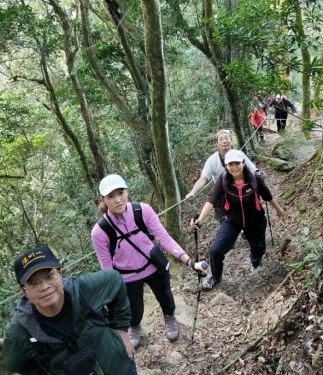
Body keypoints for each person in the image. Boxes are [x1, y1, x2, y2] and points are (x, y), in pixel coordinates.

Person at [3, 245, 157, 375]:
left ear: (60, 273)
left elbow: (115, 281)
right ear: (23, 291)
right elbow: (17, 364)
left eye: (49, 276)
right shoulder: (19, 332)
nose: (44, 287)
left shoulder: (83, 290)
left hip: (118, 366)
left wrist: (121, 330)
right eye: (34, 283)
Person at [92, 174, 207, 349]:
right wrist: (112, 294)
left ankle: (169, 318)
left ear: (127, 191)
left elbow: (164, 238)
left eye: (120, 193)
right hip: (127, 277)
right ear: (103, 199)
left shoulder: (143, 211)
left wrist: (190, 262)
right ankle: (135, 326)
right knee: (134, 309)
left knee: (166, 297)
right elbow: (106, 267)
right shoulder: (100, 231)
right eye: (111, 196)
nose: (117, 200)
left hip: (154, 266)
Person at [190, 149, 285, 290]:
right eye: (230, 164)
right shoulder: (223, 180)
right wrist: (200, 220)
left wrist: (278, 209)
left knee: (258, 247)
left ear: (243, 163)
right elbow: (212, 199)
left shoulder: (254, 178)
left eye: (237, 163)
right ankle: (215, 277)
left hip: (255, 220)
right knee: (216, 250)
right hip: (232, 221)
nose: (234, 167)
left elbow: (267, 195)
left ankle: (256, 263)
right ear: (226, 166)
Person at [185, 129, 257, 201]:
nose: (224, 141)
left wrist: (259, 174)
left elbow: (253, 170)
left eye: (226, 138)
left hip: (243, 191)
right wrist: (192, 192)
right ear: (217, 144)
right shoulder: (212, 160)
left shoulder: (240, 154)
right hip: (222, 194)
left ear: (231, 141)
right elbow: (203, 178)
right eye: (221, 139)